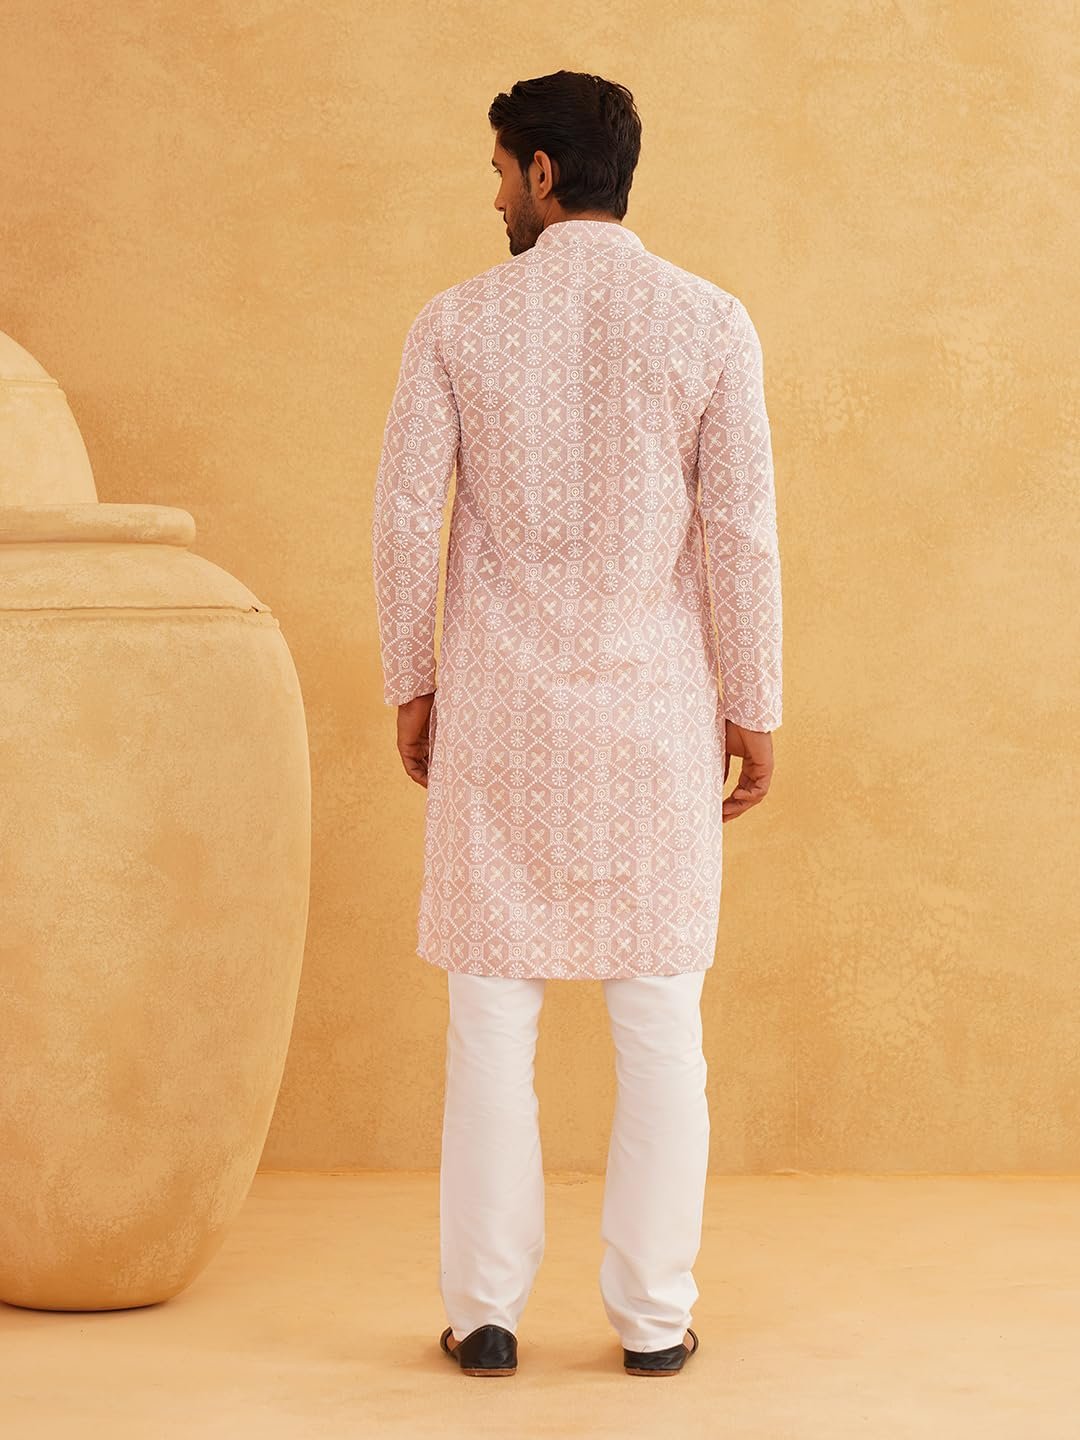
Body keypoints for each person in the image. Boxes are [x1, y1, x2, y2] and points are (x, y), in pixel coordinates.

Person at [371, 69, 783, 1379]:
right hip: (655, 723)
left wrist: (413, 679)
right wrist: (755, 702)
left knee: (493, 1024)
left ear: (543, 173)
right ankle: (653, 1321)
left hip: (499, 719)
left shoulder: (457, 323)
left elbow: (405, 516)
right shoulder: (710, 322)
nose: (495, 194)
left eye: (500, 170)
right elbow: (741, 534)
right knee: (661, 1027)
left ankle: (484, 1316)